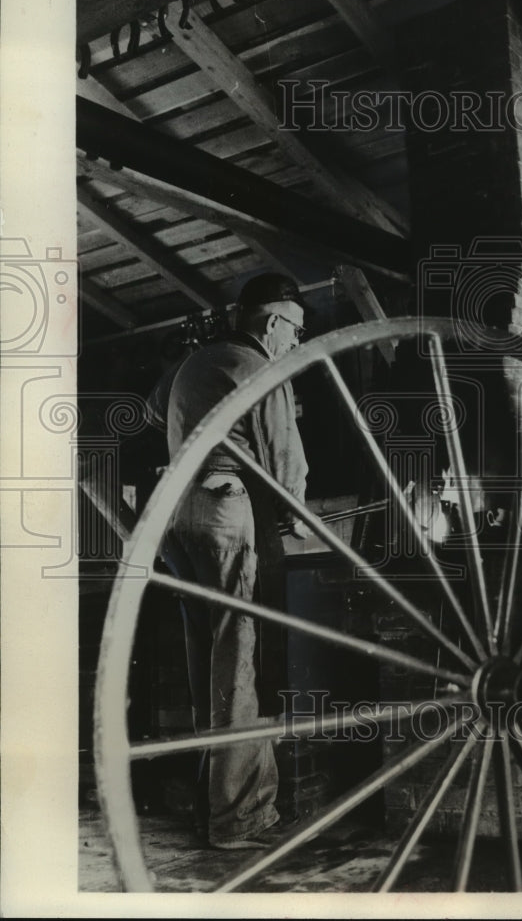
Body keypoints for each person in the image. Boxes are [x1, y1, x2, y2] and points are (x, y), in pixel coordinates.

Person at [158, 273, 310, 850]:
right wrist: (299, 521)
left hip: (176, 519)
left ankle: (211, 806)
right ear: (272, 324)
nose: (295, 343)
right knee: (240, 660)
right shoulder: (262, 368)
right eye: (295, 332)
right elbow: (285, 460)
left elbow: (154, 411)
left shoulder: (193, 363)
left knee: (209, 667)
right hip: (225, 513)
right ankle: (239, 819)